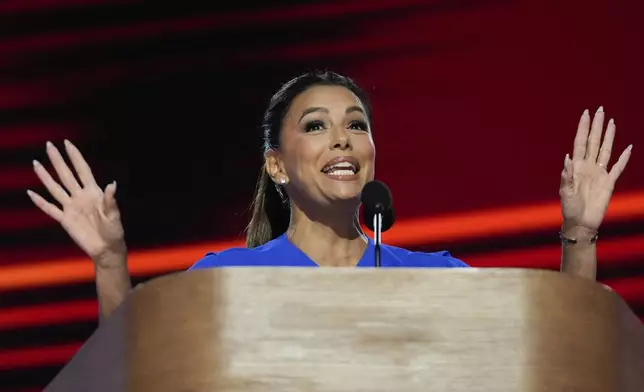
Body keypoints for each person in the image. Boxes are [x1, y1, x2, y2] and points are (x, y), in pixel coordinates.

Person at [27, 71, 632, 322]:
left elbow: (564, 357)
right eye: (315, 125)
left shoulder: (439, 277)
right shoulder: (223, 279)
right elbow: (134, 371)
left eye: (358, 124)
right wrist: (110, 261)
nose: (343, 137)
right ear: (277, 165)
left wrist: (578, 234)